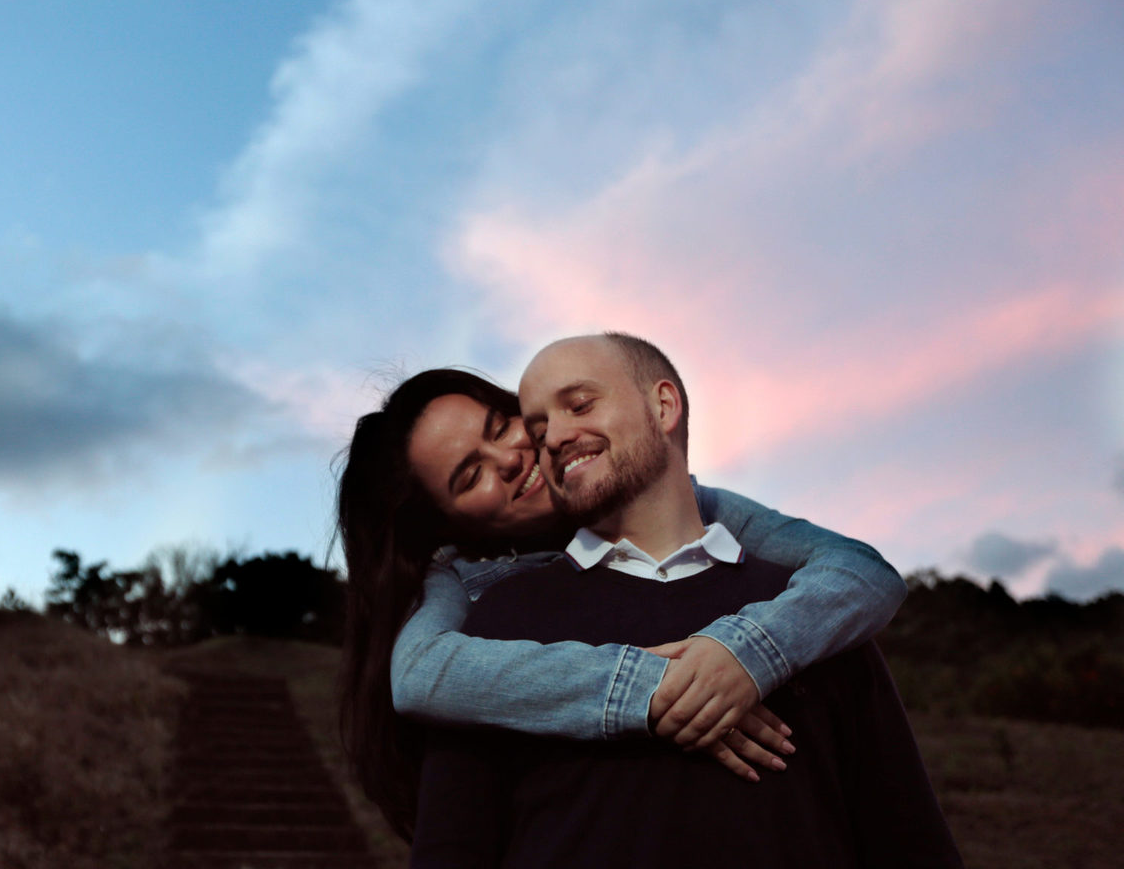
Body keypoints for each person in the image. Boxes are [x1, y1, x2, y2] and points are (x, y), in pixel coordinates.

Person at [407, 333, 960, 867]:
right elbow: (451, 849)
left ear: (664, 404)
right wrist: (665, 688)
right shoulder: (497, 623)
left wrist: (749, 654)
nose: (548, 439)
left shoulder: (812, 608)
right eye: (540, 425)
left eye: (578, 404)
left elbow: (907, 841)